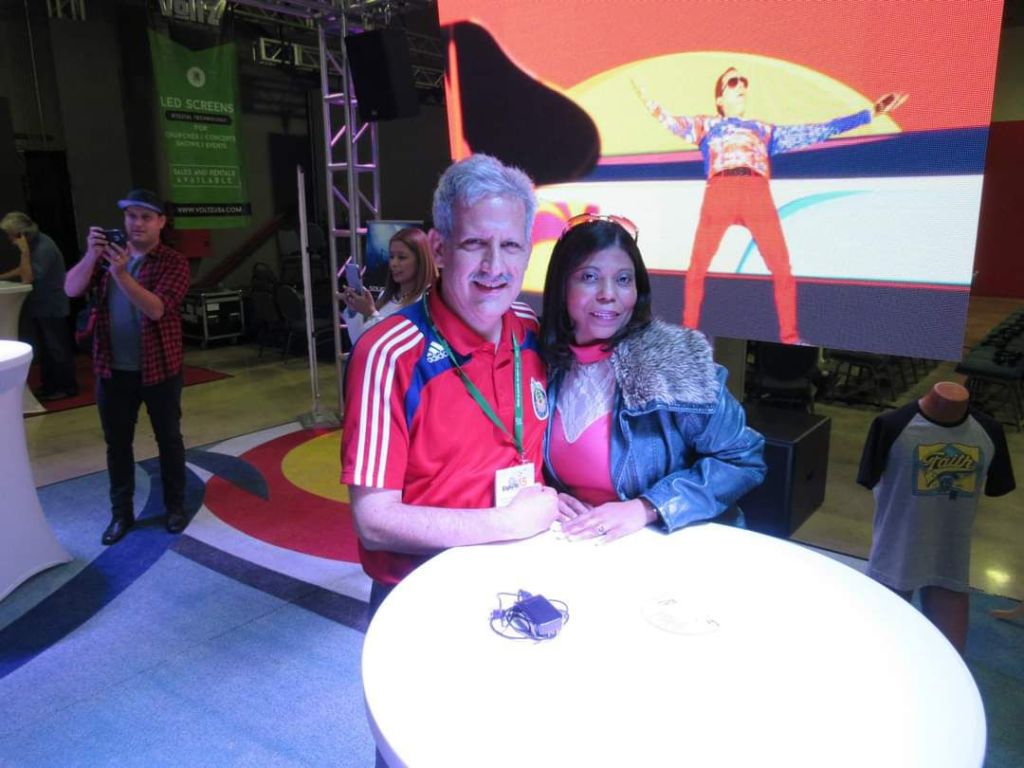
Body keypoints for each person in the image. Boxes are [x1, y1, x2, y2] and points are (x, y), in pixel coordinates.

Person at [341, 154, 560, 617]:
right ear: (439, 249)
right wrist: (507, 523)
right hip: (425, 595)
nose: (494, 266)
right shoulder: (390, 353)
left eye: (511, 245)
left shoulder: (530, 329)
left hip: (524, 572)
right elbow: (374, 522)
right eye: (475, 243)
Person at [636, 68, 907, 344]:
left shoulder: (763, 130)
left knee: (781, 265)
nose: (741, 86)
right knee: (697, 265)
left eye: (744, 83)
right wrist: (646, 98)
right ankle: (687, 334)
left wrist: (870, 113)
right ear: (720, 99)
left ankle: (790, 337)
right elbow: (669, 120)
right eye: (733, 82)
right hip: (720, 189)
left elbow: (818, 131)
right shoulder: (706, 126)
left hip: (756, 192)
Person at [539, 213, 766, 542]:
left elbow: (743, 459)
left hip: (666, 542)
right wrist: (549, 496)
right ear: (562, 286)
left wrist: (648, 507)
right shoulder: (538, 360)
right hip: (574, 543)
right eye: (589, 277)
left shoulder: (676, 362)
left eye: (623, 279)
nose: (608, 294)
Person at [64, 189, 191, 545]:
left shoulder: (172, 263)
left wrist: (120, 274)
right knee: (117, 445)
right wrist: (91, 255)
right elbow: (71, 289)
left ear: (161, 222)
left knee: (169, 439)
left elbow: (156, 309)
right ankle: (121, 513)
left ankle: (175, 507)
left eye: (146, 217)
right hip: (111, 369)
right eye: (131, 216)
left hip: (160, 368)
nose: (137, 223)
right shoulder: (106, 256)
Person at [858, 381, 1016, 653]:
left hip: (950, 556)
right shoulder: (892, 425)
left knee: (950, 657)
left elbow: (998, 485)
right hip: (895, 552)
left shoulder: (988, 432)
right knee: (880, 652)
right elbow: (869, 477)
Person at [0, 212, 77, 400]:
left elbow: (27, 277)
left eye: (11, 235)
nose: (10, 239)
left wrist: (24, 252)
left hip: (52, 306)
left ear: (21, 233)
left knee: (56, 348)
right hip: (41, 305)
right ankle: (50, 386)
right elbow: (24, 269)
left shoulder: (44, 248)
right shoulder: (35, 244)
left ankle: (66, 387)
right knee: (47, 349)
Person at [340, 226, 437, 345]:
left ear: (420, 260)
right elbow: (360, 342)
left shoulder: (428, 301)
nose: (394, 263)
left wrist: (371, 314)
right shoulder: (386, 296)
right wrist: (354, 310)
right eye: (391, 257)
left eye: (402, 257)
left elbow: (401, 346)